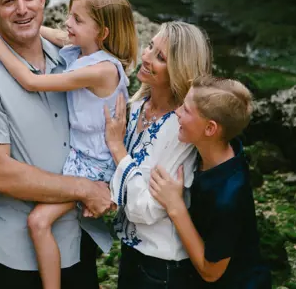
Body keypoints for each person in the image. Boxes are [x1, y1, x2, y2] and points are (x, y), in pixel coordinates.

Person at [0, 0, 113, 289]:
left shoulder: (73, 58)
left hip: (77, 241)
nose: (22, 9)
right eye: (8, 1)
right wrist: (87, 189)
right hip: (14, 258)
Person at [104, 21, 213, 289]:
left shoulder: (180, 129)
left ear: (180, 70)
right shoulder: (137, 105)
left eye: (160, 57)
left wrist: (118, 149)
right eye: (151, 46)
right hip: (131, 252)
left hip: (162, 266)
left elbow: (145, 210)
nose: (146, 56)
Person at [149, 76, 272, 288]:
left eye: (186, 110)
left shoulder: (229, 196)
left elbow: (211, 271)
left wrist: (175, 206)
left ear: (210, 129)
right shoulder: (224, 146)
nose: (177, 112)